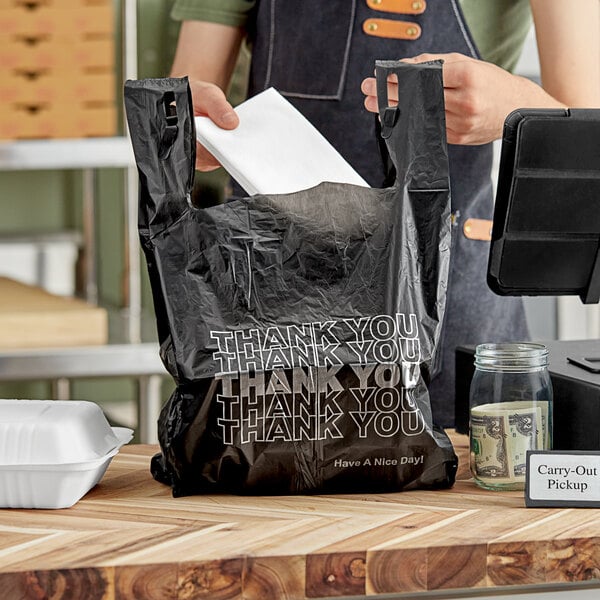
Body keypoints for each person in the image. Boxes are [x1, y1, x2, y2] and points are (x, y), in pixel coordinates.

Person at [168, 0, 600, 427]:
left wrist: (514, 106)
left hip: (453, 303)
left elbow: (586, 130)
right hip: (272, 302)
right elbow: (184, 104)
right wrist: (191, 128)